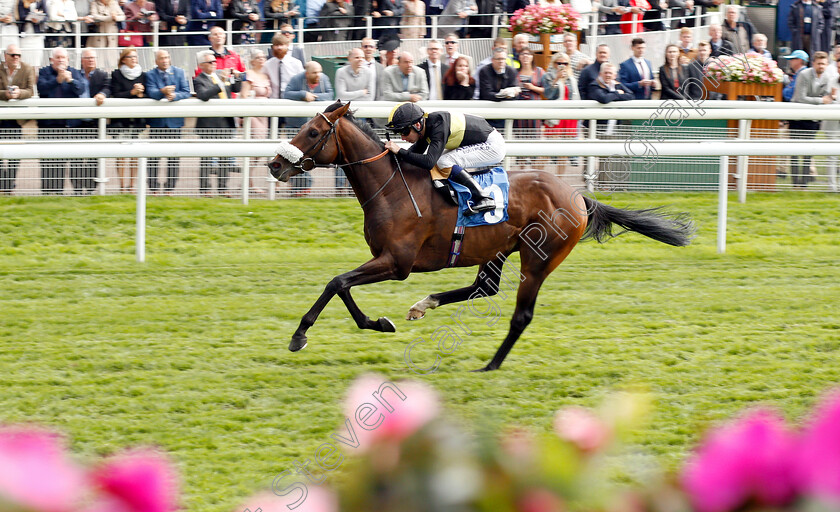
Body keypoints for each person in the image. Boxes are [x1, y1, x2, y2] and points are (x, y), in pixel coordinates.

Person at [383, 102, 501, 214]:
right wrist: (392, 156)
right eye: (399, 133)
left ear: (417, 125)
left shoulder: (437, 127)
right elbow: (414, 153)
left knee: (443, 161)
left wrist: (399, 150)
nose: (403, 138)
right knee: (440, 161)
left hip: (492, 146)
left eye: (404, 132)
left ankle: (483, 197)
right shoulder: (426, 127)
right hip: (477, 141)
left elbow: (428, 161)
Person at [36, 47, 87, 195]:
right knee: (49, 162)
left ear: (68, 60)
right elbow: (41, 89)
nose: (60, 60)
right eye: (57, 57)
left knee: (70, 162)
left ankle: (70, 193)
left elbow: (81, 89)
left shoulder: (74, 72)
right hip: (49, 125)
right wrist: (57, 80)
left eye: (63, 57)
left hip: (70, 125)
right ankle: (49, 194)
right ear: (52, 60)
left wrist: (70, 80)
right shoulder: (44, 72)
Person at [194, 49, 241, 196]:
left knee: (225, 159)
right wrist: (221, 82)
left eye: (215, 61)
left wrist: (235, 78)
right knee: (207, 159)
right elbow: (203, 95)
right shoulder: (199, 80)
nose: (214, 64)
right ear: (202, 65)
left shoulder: (221, 76)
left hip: (225, 123)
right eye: (210, 62)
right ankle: (205, 189)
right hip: (208, 125)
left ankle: (223, 188)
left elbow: (236, 89)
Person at [146, 49, 190, 194]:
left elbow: (186, 91)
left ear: (170, 59)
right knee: (153, 157)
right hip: (157, 122)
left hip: (174, 122)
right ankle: (153, 187)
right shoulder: (150, 74)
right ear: (156, 61)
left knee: (173, 157)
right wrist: (163, 91)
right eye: (161, 58)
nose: (164, 60)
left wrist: (175, 96)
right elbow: (151, 92)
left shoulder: (179, 72)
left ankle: (170, 187)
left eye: (166, 58)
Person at [789, 51, 833, 188]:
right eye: (819, 63)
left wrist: (825, 100)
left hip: (813, 119)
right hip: (797, 117)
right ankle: (795, 183)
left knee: (809, 152)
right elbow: (801, 98)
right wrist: (821, 100)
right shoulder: (804, 75)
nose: (821, 66)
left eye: (824, 64)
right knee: (795, 151)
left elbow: (829, 97)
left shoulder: (827, 77)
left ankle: (804, 183)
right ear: (813, 63)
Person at [110, 46, 147, 193]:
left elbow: (148, 94)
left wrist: (140, 94)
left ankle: (132, 185)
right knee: (122, 154)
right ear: (123, 59)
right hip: (121, 120)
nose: (134, 59)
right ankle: (122, 185)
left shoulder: (143, 75)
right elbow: (115, 94)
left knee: (135, 155)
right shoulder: (116, 75)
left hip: (137, 120)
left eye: (135, 57)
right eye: (130, 57)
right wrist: (132, 92)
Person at [0, 45, 36, 195]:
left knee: (14, 155)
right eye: (13, 55)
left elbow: (30, 90)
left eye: (18, 55)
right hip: (1, 116)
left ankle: (9, 184)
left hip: (16, 119)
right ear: (5, 55)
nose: (16, 58)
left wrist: (18, 94)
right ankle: (4, 181)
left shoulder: (27, 69)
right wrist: (5, 95)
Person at [542, 52, 579, 144]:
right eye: (559, 63)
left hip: (570, 114)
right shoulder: (548, 76)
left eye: (565, 63)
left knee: (567, 147)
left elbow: (576, 96)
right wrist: (556, 80)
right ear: (554, 63)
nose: (562, 66)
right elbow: (547, 94)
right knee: (552, 146)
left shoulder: (571, 79)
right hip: (555, 114)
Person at [478, 47, 518, 129]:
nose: (501, 61)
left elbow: (515, 95)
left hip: (505, 112)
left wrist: (508, 94)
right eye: (498, 59)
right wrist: (504, 95)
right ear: (492, 60)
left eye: (503, 59)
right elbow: (486, 94)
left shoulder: (511, 71)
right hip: (487, 112)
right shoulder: (484, 71)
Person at [514, 47, 544, 135]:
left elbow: (546, 90)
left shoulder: (539, 71)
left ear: (532, 57)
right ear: (519, 57)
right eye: (522, 54)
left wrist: (533, 87)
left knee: (534, 133)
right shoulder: (515, 72)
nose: (525, 56)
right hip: (519, 107)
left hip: (534, 107)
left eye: (528, 54)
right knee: (520, 133)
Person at [264, 33, 303, 99]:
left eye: (282, 45)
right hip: (273, 99)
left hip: (292, 99)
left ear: (287, 46)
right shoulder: (267, 64)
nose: (279, 48)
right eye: (276, 45)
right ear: (272, 47)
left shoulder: (296, 63)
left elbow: (302, 82)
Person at [824, 56, 840, 191]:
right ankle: (832, 187)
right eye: (839, 68)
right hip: (833, 123)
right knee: (832, 155)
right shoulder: (832, 80)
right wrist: (831, 98)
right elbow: (827, 100)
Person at [17, 0, 47, 67]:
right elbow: (21, 16)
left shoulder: (42, 1)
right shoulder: (22, 1)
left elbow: (46, 16)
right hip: (25, 34)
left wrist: (39, 17)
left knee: (37, 60)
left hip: (37, 35)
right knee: (25, 59)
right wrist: (32, 15)